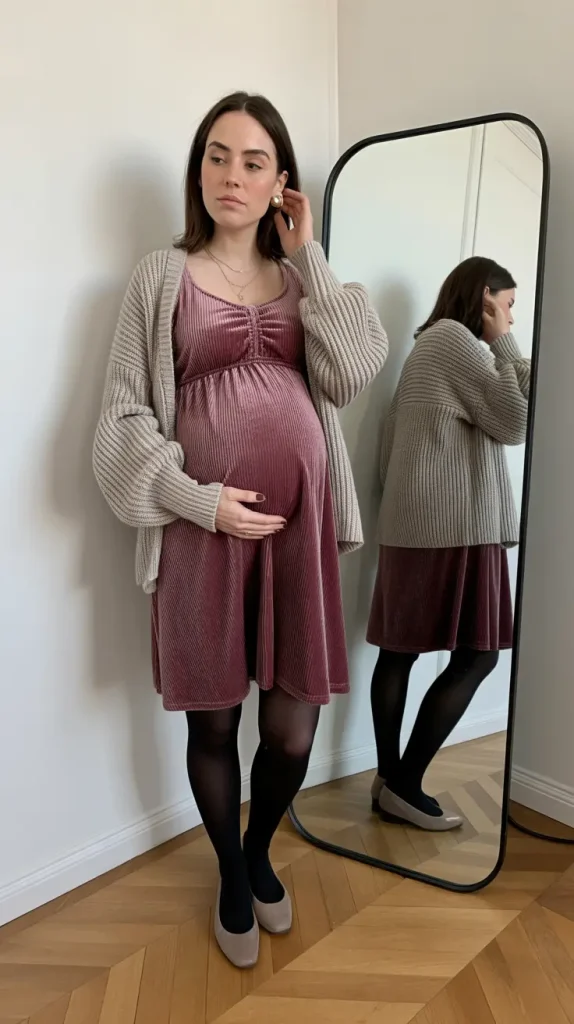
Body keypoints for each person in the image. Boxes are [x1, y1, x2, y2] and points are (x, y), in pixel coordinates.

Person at [93, 91, 388, 968]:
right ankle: (231, 874)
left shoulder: (306, 282)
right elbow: (121, 419)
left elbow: (352, 373)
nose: (231, 175)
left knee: (293, 729)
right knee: (216, 726)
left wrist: (312, 257)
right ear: (198, 171)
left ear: (281, 182)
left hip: (299, 538)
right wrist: (197, 499)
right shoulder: (159, 276)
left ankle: (258, 851)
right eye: (217, 156)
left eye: (253, 161)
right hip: (202, 536)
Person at [367, 257, 530, 831]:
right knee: (478, 655)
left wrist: (504, 349)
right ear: (484, 297)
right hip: (455, 526)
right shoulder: (458, 342)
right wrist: (504, 343)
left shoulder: (429, 346)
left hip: (418, 526)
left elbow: (390, 450)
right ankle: (404, 785)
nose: (511, 318)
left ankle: (390, 781)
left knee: (399, 653)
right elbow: (517, 421)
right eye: (507, 305)